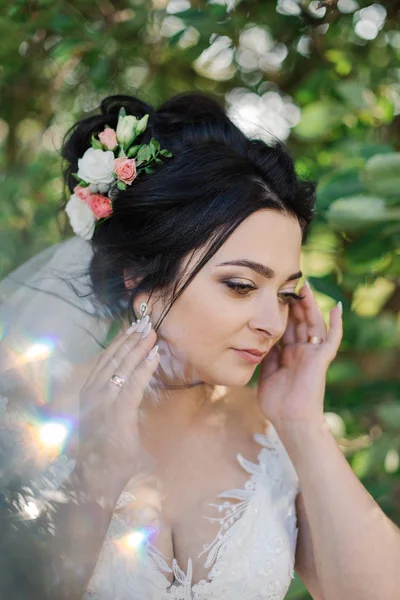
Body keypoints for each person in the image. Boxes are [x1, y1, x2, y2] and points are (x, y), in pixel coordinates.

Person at [2, 92, 398, 600]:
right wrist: (95, 476)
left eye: (284, 294)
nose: (271, 322)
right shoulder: (21, 423)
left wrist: (303, 423)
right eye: (239, 285)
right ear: (139, 274)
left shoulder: (274, 437)